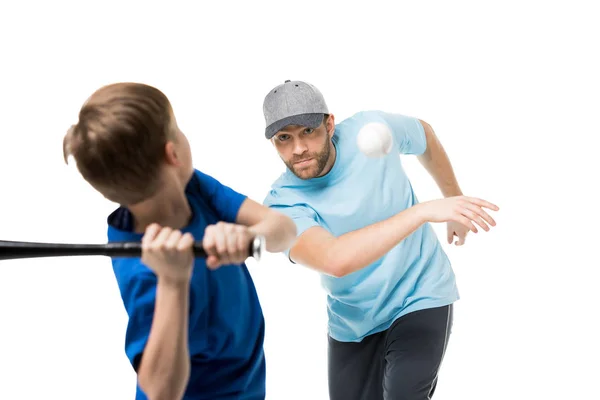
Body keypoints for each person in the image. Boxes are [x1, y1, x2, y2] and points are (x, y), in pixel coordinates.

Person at [261, 80, 499, 399]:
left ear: (329, 124)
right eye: (284, 138)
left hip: (420, 292)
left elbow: (424, 134)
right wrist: (422, 212)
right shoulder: (281, 205)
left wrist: (454, 200)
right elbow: (335, 260)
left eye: (307, 131)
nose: (298, 149)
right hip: (353, 323)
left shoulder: (370, 128)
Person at [62, 82, 297, 400]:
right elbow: (160, 392)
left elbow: (284, 230)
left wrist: (249, 235)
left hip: (247, 383)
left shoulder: (193, 187)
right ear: (173, 153)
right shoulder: (145, 274)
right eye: (178, 129)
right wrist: (173, 282)